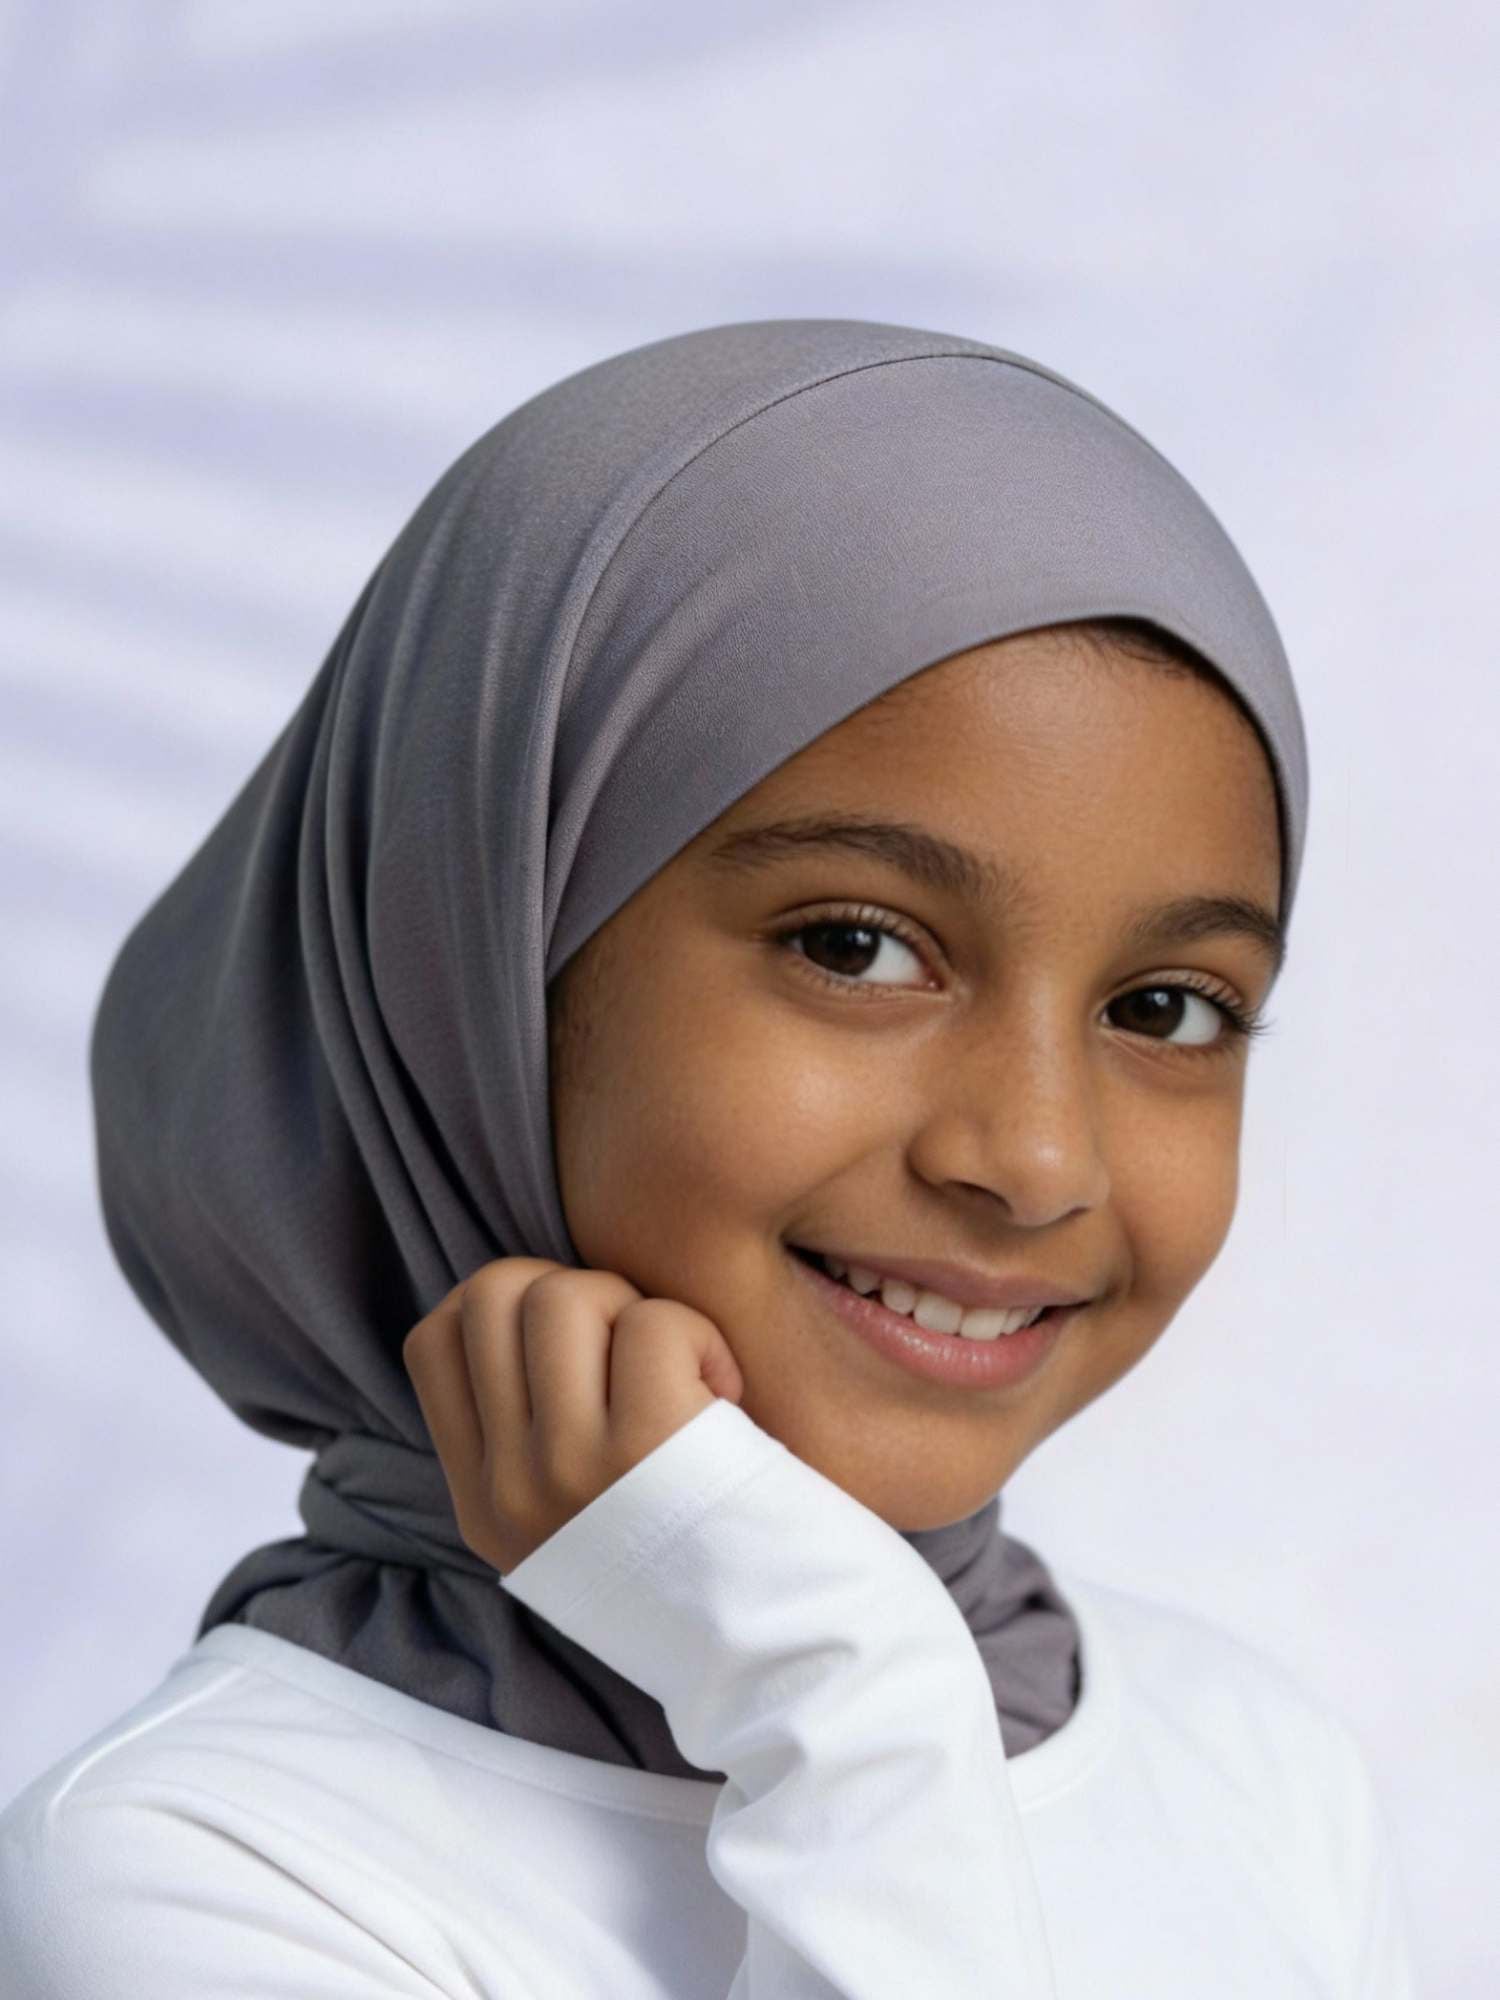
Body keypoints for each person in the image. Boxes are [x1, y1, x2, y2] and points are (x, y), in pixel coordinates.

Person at [0, 319, 1417, 1995]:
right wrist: (847, 1702)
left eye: (1170, 1007)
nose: (1036, 1160)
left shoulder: (1256, 1769)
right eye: (858, 949)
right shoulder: (207, 1870)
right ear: (476, 964)